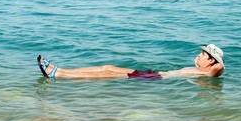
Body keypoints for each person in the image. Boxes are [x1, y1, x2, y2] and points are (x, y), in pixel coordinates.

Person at [37, 44, 225, 80]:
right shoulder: (198, 69)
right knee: (108, 67)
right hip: (153, 74)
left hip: (154, 79)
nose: (199, 56)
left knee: (107, 73)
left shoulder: (208, 72)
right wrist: (206, 59)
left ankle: (58, 74)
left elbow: (219, 68)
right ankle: (58, 70)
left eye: (203, 54)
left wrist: (215, 60)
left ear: (210, 60)